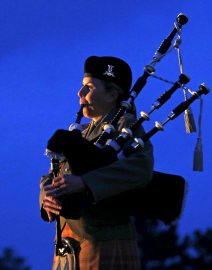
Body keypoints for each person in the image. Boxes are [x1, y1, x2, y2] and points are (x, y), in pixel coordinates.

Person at [39, 56, 154, 270]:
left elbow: (140, 169)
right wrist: (47, 195)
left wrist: (85, 183)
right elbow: (53, 173)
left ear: (112, 94)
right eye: (82, 87)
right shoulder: (81, 133)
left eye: (89, 87)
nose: (80, 94)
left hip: (105, 240)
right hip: (67, 241)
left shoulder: (127, 128)